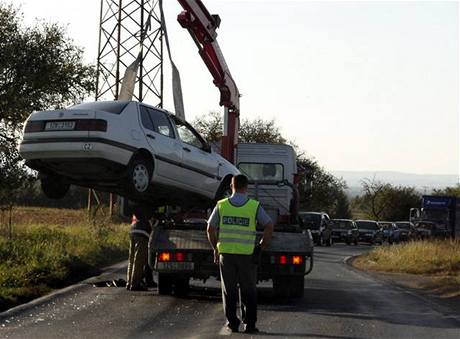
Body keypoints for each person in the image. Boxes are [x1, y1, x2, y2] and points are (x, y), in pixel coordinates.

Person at [207, 174, 274, 333]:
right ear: (247, 187)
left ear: (231, 186)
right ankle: (249, 324)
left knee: (228, 290)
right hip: (247, 256)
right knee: (248, 289)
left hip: (226, 255)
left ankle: (232, 323)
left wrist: (215, 248)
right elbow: (269, 225)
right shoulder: (254, 206)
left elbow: (210, 228)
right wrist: (262, 245)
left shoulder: (222, 205)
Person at [127, 204, 154, 291]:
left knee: (132, 259)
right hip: (142, 233)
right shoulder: (148, 206)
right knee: (139, 259)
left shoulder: (136, 204)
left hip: (133, 230)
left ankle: (129, 282)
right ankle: (135, 284)